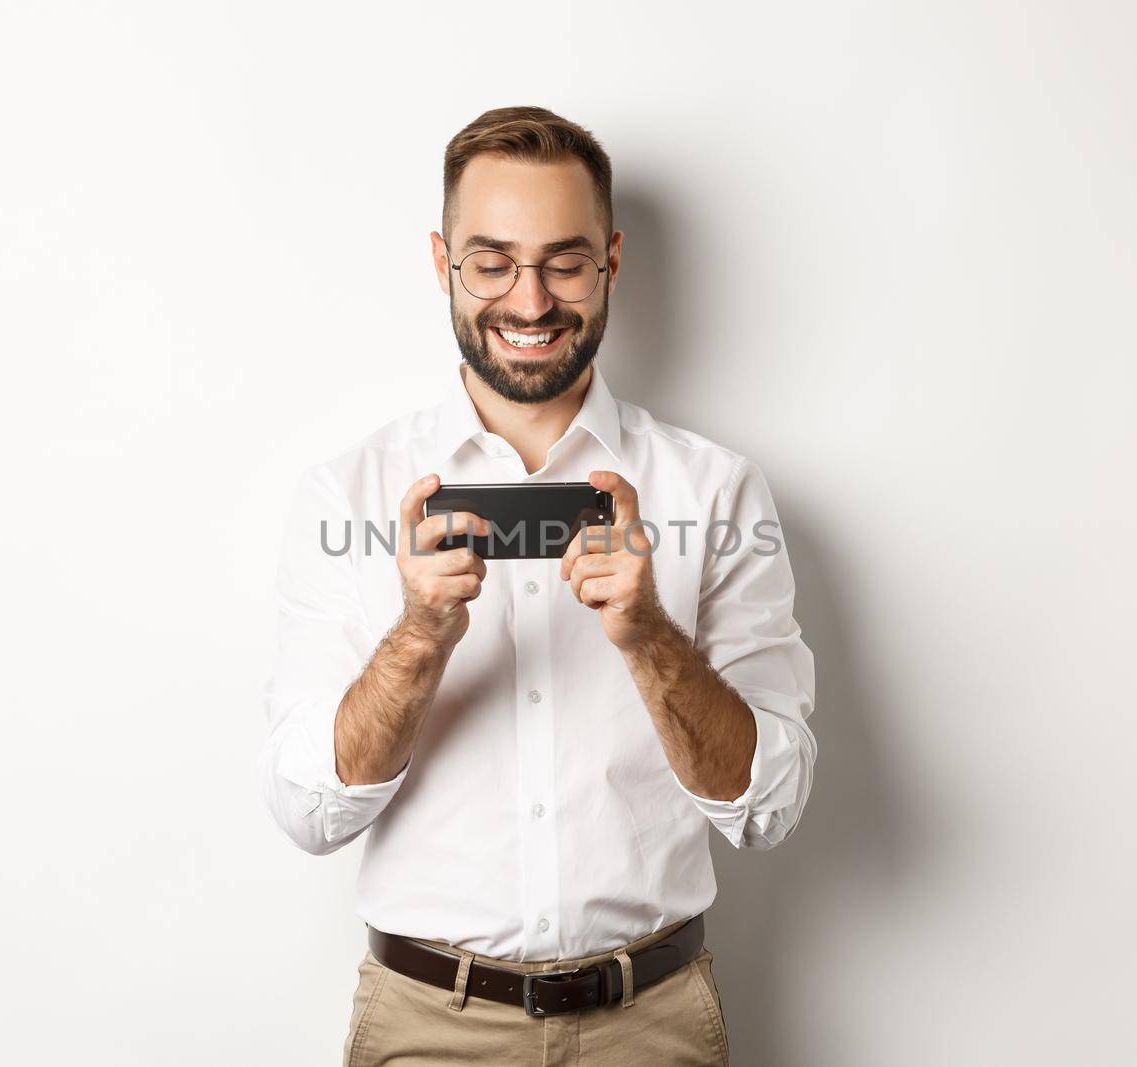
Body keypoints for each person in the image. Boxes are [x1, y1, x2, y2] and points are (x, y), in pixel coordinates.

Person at [258, 105, 818, 1067]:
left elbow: (769, 809)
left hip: (654, 1025)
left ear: (611, 261)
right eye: (492, 262)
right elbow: (310, 812)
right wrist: (419, 635)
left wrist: (649, 637)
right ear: (443, 264)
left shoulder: (716, 490)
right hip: (426, 1027)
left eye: (565, 261)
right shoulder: (345, 492)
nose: (529, 302)